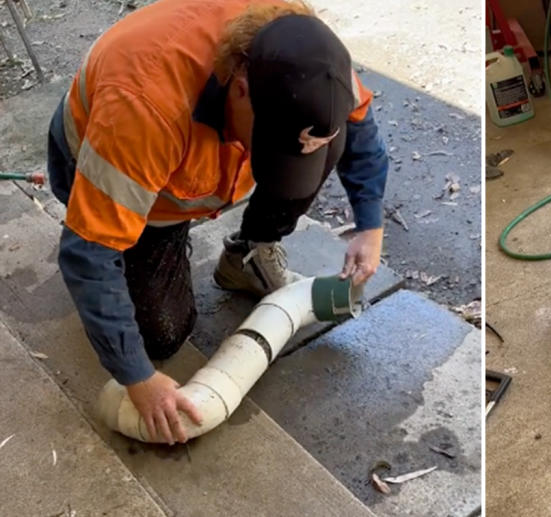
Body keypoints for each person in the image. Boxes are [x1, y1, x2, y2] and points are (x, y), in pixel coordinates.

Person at [47, 0, 388, 444]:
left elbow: (359, 126)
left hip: (182, 164)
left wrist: (370, 224)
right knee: (160, 336)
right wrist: (137, 379)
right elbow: (89, 251)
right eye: (269, 144)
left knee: (319, 149)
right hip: (121, 179)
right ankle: (157, 244)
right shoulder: (146, 106)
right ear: (241, 86)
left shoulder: (310, 60)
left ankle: (248, 254)